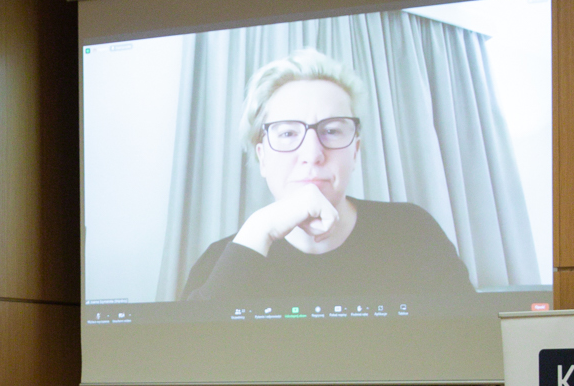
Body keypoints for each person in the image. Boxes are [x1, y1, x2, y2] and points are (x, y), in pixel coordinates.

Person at [179, 49, 478, 314]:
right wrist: (261, 228)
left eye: (332, 131)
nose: (312, 154)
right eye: (287, 133)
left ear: (355, 151)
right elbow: (189, 352)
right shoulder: (223, 259)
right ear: (263, 158)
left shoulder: (413, 232)